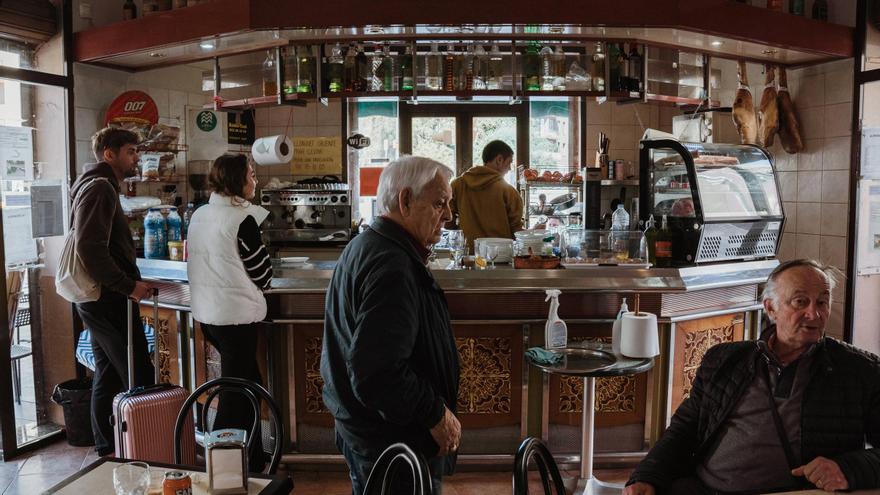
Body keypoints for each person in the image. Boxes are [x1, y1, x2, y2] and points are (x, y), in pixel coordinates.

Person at [625, 259, 880, 495]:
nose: (814, 314)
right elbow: (685, 429)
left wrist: (848, 469)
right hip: (703, 488)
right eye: (800, 302)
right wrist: (647, 476)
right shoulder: (725, 360)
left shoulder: (860, 371)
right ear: (771, 308)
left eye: (822, 302)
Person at [321, 156, 462, 495]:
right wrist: (434, 414)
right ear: (405, 201)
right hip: (392, 444)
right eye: (439, 204)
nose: (448, 215)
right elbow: (377, 371)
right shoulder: (392, 264)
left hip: (371, 434)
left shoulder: (371, 244)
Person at [72, 127, 155, 455]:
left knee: (107, 371)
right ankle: (146, 446)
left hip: (99, 297)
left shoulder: (95, 185)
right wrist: (128, 286)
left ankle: (107, 447)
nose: (136, 157)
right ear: (110, 153)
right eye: (131, 151)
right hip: (108, 297)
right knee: (137, 371)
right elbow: (90, 249)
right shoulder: (100, 189)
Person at [187, 153, 271, 472]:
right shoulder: (241, 219)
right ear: (238, 180)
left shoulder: (200, 214)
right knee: (237, 392)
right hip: (236, 318)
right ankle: (222, 466)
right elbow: (261, 271)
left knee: (250, 382)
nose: (255, 180)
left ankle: (253, 459)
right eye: (251, 174)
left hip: (209, 317)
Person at [450, 140, 523, 250]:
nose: (509, 168)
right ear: (499, 160)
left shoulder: (457, 185)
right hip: (500, 255)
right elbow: (516, 231)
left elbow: (447, 220)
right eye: (509, 163)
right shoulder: (508, 191)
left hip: (467, 255)